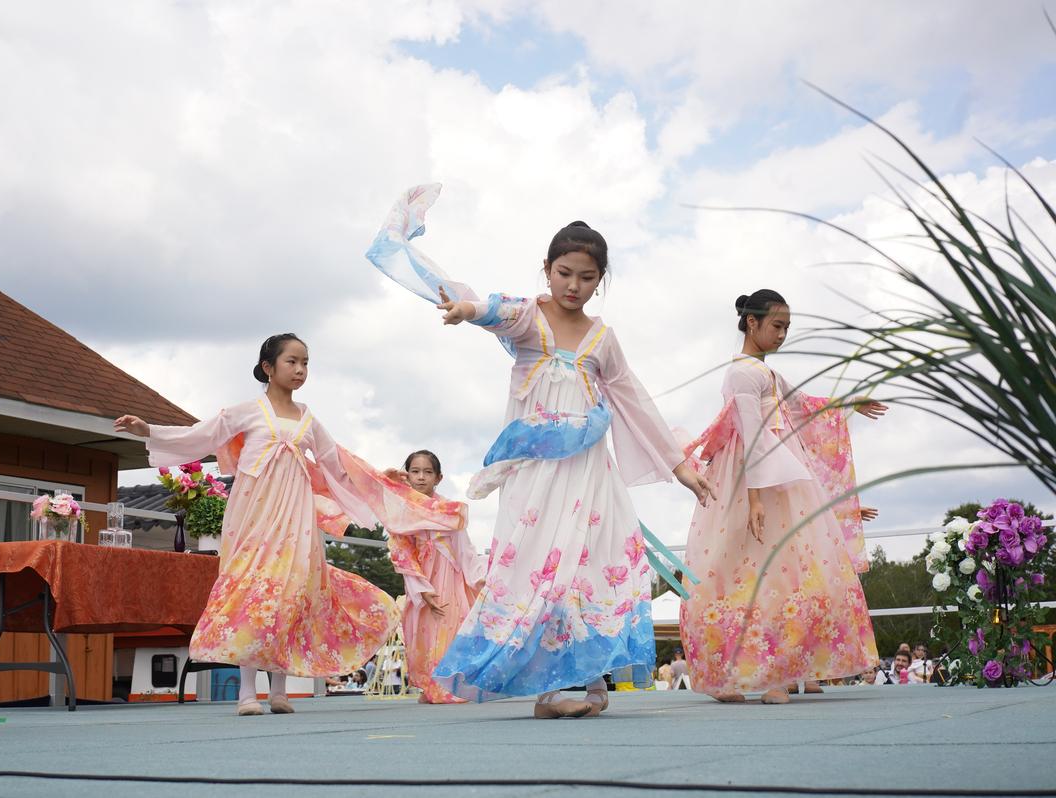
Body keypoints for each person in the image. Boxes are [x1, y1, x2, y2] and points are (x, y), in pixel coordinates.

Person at [418, 219, 714, 719]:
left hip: (588, 468)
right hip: (536, 470)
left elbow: (633, 400)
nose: (574, 285)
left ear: (601, 279)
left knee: (588, 563)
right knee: (540, 563)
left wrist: (680, 465)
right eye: (564, 273)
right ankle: (548, 692)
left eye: (587, 277)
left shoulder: (602, 338)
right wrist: (465, 311)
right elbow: (489, 310)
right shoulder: (527, 316)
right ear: (547, 269)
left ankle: (587, 675)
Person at [114, 333, 402, 717]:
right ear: (268, 367)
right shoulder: (247, 412)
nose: (300, 370)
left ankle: (279, 691)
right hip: (254, 514)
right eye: (291, 361)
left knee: (288, 595)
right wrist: (148, 429)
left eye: (305, 363)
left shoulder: (308, 420)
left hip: (296, 517)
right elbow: (202, 435)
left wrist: (379, 478)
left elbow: (337, 465)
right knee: (252, 595)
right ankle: (247, 693)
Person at [679, 289, 884, 705]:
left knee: (783, 568)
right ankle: (740, 676)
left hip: (779, 471)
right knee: (748, 565)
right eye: (776, 325)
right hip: (751, 476)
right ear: (751, 323)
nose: (782, 334)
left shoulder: (765, 373)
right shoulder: (742, 374)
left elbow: (803, 405)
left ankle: (781, 671)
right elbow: (752, 436)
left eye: (787, 327)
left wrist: (849, 402)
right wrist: (755, 498)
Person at [376, 449, 485, 704]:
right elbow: (402, 552)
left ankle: (449, 686)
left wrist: (480, 578)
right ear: (407, 475)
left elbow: (465, 549)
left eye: (428, 472)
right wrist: (420, 587)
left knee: (449, 626)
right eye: (415, 471)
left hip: (449, 577)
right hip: (421, 578)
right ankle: (430, 685)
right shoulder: (401, 511)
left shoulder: (448, 511)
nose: (421, 477)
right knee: (422, 632)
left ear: (439, 477)